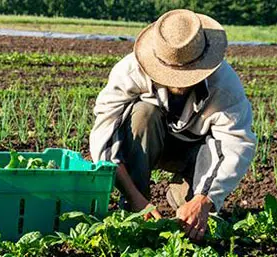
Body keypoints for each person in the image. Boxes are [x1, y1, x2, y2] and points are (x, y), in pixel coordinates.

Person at [89, 9, 256, 241]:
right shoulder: (130, 71)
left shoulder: (225, 85)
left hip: (194, 152)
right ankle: (134, 209)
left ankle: (184, 192)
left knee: (192, 219)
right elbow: (105, 138)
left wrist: (204, 199)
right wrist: (137, 199)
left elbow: (235, 144)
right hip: (148, 142)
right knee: (142, 114)